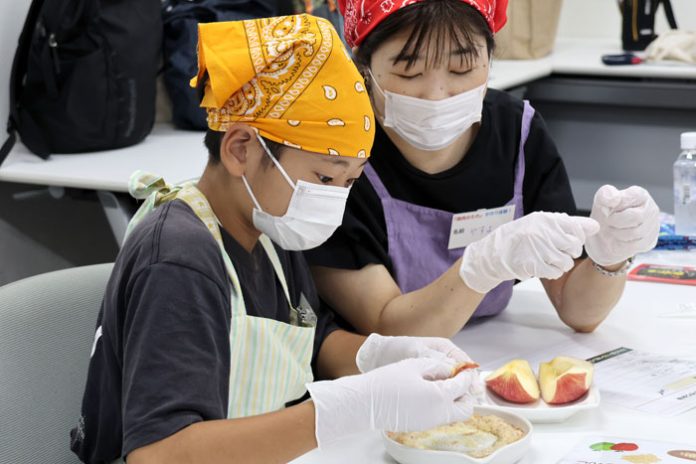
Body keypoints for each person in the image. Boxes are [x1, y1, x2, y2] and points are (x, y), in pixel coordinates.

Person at [69, 15, 481, 464]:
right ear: (240, 149)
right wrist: (353, 407)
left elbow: (308, 340)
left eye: (349, 183)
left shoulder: (266, 228)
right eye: (324, 177)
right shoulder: (179, 259)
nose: (334, 200)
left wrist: (382, 355)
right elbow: (160, 453)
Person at [305, 0, 661, 337]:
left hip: (494, 353)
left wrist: (609, 256)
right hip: (390, 375)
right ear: (363, 66)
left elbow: (577, 310)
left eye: (462, 68)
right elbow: (388, 325)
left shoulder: (517, 133)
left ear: (490, 58)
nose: (437, 94)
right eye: (409, 71)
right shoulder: (337, 157)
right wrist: (482, 267)